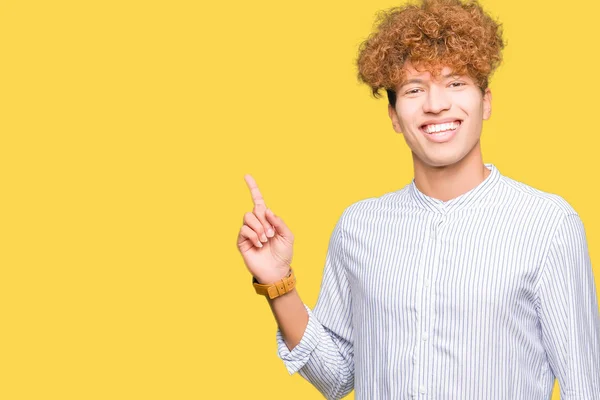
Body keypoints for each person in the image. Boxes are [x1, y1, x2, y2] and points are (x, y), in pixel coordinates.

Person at [236, 0, 600, 398]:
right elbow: (338, 376)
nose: (436, 104)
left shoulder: (548, 224)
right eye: (414, 89)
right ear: (394, 116)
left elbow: (586, 384)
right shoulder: (359, 227)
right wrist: (279, 285)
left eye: (456, 82)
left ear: (486, 102)